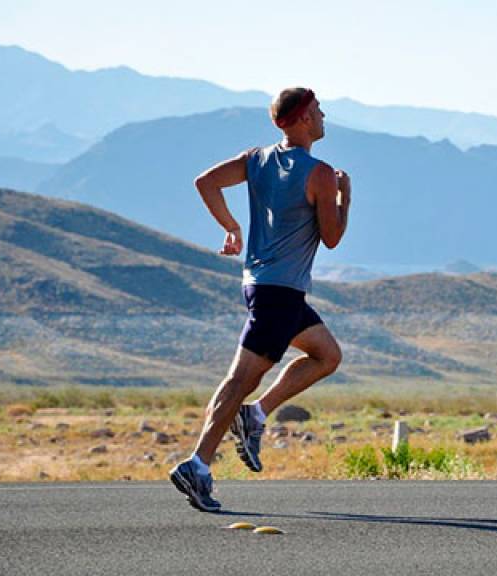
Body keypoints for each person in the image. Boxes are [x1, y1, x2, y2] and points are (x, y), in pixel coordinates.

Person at [169, 87, 351, 512]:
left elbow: (205, 182)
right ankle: (198, 465)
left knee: (327, 355)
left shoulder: (257, 159)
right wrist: (345, 196)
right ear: (304, 118)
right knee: (239, 381)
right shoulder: (321, 174)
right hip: (280, 294)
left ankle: (254, 415)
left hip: (263, 286)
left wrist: (231, 227)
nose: (323, 116)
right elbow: (332, 237)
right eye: (319, 111)